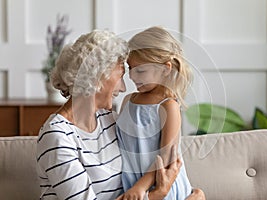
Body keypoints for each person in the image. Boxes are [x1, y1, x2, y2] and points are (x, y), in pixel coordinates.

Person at [36, 29, 205, 200]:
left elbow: (158, 154)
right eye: (121, 75)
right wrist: (157, 194)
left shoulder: (109, 121)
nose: (124, 88)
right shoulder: (57, 136)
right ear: (98, 77)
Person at [116, 26, 194, 199]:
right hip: (131, 186)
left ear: (165, 69)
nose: (132, 77)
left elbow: (166, 156)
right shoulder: (127, 101)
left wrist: (140, 187)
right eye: (130, 69)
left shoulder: (168, 106)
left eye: (141, 70)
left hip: (160, 186)